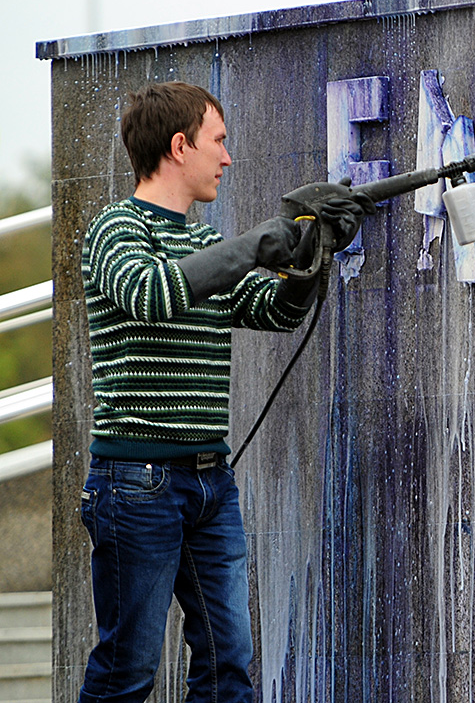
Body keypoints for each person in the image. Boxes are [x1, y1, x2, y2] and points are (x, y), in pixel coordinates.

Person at [77, 81, 372, 703]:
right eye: (219, 141)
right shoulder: (115, 228)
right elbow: (152, 294)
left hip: (211, 483)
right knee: (127, 670)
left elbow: (276, 311)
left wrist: (311, 256)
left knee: (227, 664)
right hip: (137, 483)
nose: (228, 158)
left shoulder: (206, 242)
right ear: (180, 146)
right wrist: (260, 243)